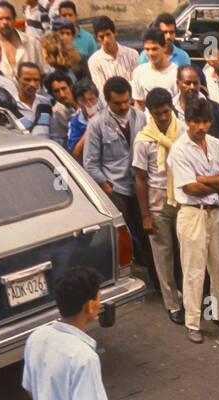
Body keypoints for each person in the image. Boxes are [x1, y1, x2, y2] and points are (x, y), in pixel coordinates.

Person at [22, 266, 119, 400]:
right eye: (98, 297)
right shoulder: (83, 357)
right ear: (90, 305)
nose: (100, 301)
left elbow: (29, 387)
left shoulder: (37, 337)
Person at [169, 97, 219, 343]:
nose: (201, 127)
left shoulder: (215, 143)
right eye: (196, 122)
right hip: (192, 212)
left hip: (216, 213)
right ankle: (193, 323)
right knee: (194, 270)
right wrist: (216, 182)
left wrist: (206, 179)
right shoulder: (179, 149)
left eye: (205, 121)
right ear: (187, 122)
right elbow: (191, 188)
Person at [133, 86, 187, 325]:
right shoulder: (143, 139)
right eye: (158, 114)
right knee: (163, 254)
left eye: (167, 112)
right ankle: (172, 304)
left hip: (183, 192)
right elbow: (140, 178)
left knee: (187, 251)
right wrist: (145, 215)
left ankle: (189, 297)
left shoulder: (183, 130)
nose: (164, 118)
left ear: (172, 109)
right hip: (157, 198)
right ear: (150, 113)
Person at [85, 77, 147, 269]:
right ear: (108, 101)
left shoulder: (140, 117)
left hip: (140, 186)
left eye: (126, 101)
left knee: (147, 234)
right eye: (117, 103)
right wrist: (107, 186)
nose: (123, 106)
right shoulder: (97, 124)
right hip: (115, 188)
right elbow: (90, 163)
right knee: (120, 238)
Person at [178, 65, 219, 159]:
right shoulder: (170, 110)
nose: (192, 87)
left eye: (195, 83)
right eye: (187, 83)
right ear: (178, 83)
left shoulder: (216, 109)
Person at [0, 1, 45, 80]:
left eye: (8, 18)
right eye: (0, 19)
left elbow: (44, 72)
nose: (5, 22)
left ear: (14, 20)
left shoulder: (32, 43)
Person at [87, 16, 139, 94]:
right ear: (97, 38)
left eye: (108, 34)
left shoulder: (132, 54)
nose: (106, 40)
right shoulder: (94, 61)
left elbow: (137, 83)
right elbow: (101, 90)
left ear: (114, 33)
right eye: (101, 37)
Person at [131, 26, 179, 110]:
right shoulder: (139, 72)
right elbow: (138, 104)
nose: (150, 53)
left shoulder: (176, 73)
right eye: (147, 49)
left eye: (154, 49)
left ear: (164, 47)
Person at [14, 61, 54, 134]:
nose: (32, 84)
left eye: (36, 80)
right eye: (27, 80)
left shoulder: (46, 103)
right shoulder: (11, 106)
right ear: (17, 79)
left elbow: (53, 133)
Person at [65, 77, 97, 157]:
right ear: (77, 102)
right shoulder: (74, 122)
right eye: (83, 101)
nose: (89, 104)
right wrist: (90, 127)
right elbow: (75, 153)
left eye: (91, 99)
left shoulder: (106, 114)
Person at [45, 70, 76, 145]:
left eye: (64, 88)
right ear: (52, 94)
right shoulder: (56, 112)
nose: (61, 94)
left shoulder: (85, 100)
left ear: (71, 87)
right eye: (56, 91)